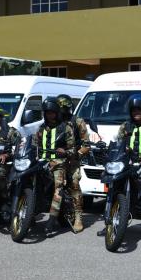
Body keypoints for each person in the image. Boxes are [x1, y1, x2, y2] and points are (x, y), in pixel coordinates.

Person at [36, 97, 75, 235]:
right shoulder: (41, 129)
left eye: (52, 112)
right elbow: (34, 145)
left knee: (58, 188)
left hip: (59, 164)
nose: (49, 115)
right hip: (41, 163)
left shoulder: (66, 127)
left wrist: (65, 151)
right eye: (47, 113)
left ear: (57, 113)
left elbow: (73, 149)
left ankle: (51, 221)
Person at [56, 94, 89, 233]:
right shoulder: (50, 121)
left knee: (74, 184)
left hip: (71, 160)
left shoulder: (78, 121)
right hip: (52, 159)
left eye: (64, 108)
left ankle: (78, 216)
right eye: (59, 108)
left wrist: (77, 154)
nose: (62, 111)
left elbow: (86, 145)